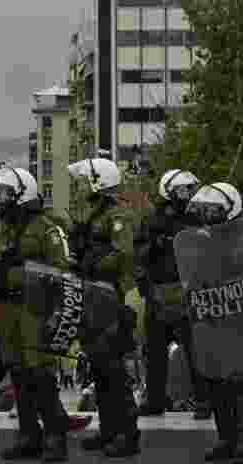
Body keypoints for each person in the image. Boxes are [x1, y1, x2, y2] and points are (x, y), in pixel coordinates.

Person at [0, 166, 71, 462]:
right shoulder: (3, 227)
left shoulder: (46, 227)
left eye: (5, 192)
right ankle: (28, 435)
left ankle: (56, 436)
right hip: (9, 309)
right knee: (18, 374)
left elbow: (61, 270)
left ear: (22, 195)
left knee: (41, 373)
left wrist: (23, 271)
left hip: (36, 308)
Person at [67, 158, 141, 458]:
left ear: (99, 183)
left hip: (111, 300)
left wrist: (91, 265)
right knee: (99, 369)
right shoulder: (90, 215)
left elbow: (123, 254)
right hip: (91, 298)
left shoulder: (117, 215)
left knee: (115, 373)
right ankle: (109, 430)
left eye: (84, 180)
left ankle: (128, 435)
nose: (79, 185)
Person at [186, 182, 243, 463]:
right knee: (216, 382)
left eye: (214, 210)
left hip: (239, 318)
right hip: (211, 319)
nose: (208, 215)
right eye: (205, 210)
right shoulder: (201, 239)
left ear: (231, 209)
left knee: (240, 383)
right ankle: (225, 439)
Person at [136, 169, 210, 419]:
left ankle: (203, 401)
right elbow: (139, 255)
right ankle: (155, 400)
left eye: (191, 188)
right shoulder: (152, 219)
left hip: (189, 294)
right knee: (155, 353)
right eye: (183, 189)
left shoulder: (199, 218)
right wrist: (157, 244)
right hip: (158, 295)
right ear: (169, 191)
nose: (189, 193)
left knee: (196, 351)